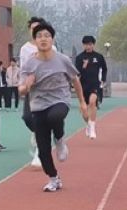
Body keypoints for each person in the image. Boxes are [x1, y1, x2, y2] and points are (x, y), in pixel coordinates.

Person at [19, 22, 88, 192]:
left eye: (47, 36)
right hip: (38, 105)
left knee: (55, 116)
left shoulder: (62, 60)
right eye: (39, 36)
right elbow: (20, 90)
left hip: (60, 100)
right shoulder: (29, 64)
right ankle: (54, 178)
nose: (43, 39)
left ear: (52, 39)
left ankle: (59, 139)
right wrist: (27, 85)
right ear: (35, 41)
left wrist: (82, 103)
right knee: (43, 150)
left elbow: (75, 80)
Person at [19, 17, 58, 168]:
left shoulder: (52, 48)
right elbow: (24, 68)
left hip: (48, 90)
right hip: (31, 88)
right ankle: (38, 133)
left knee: (43, 119)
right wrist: (24, 84)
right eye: (33, 29)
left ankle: (39, 153)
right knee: (27, 118)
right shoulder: (25, 49)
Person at [75, 35, 107, 140]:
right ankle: (88, 124)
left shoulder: (99, 57)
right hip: (82, 86)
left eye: (90, 44)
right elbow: (77, 73)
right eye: (86, 45)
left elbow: (104, 69)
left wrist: (103, 79)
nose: (88, 46)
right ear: (83, 45)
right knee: (84, 111)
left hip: (94, 84)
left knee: (92, 102)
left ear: (93, 45)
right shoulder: (79, 58)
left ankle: (92, 128)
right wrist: (83, 66)